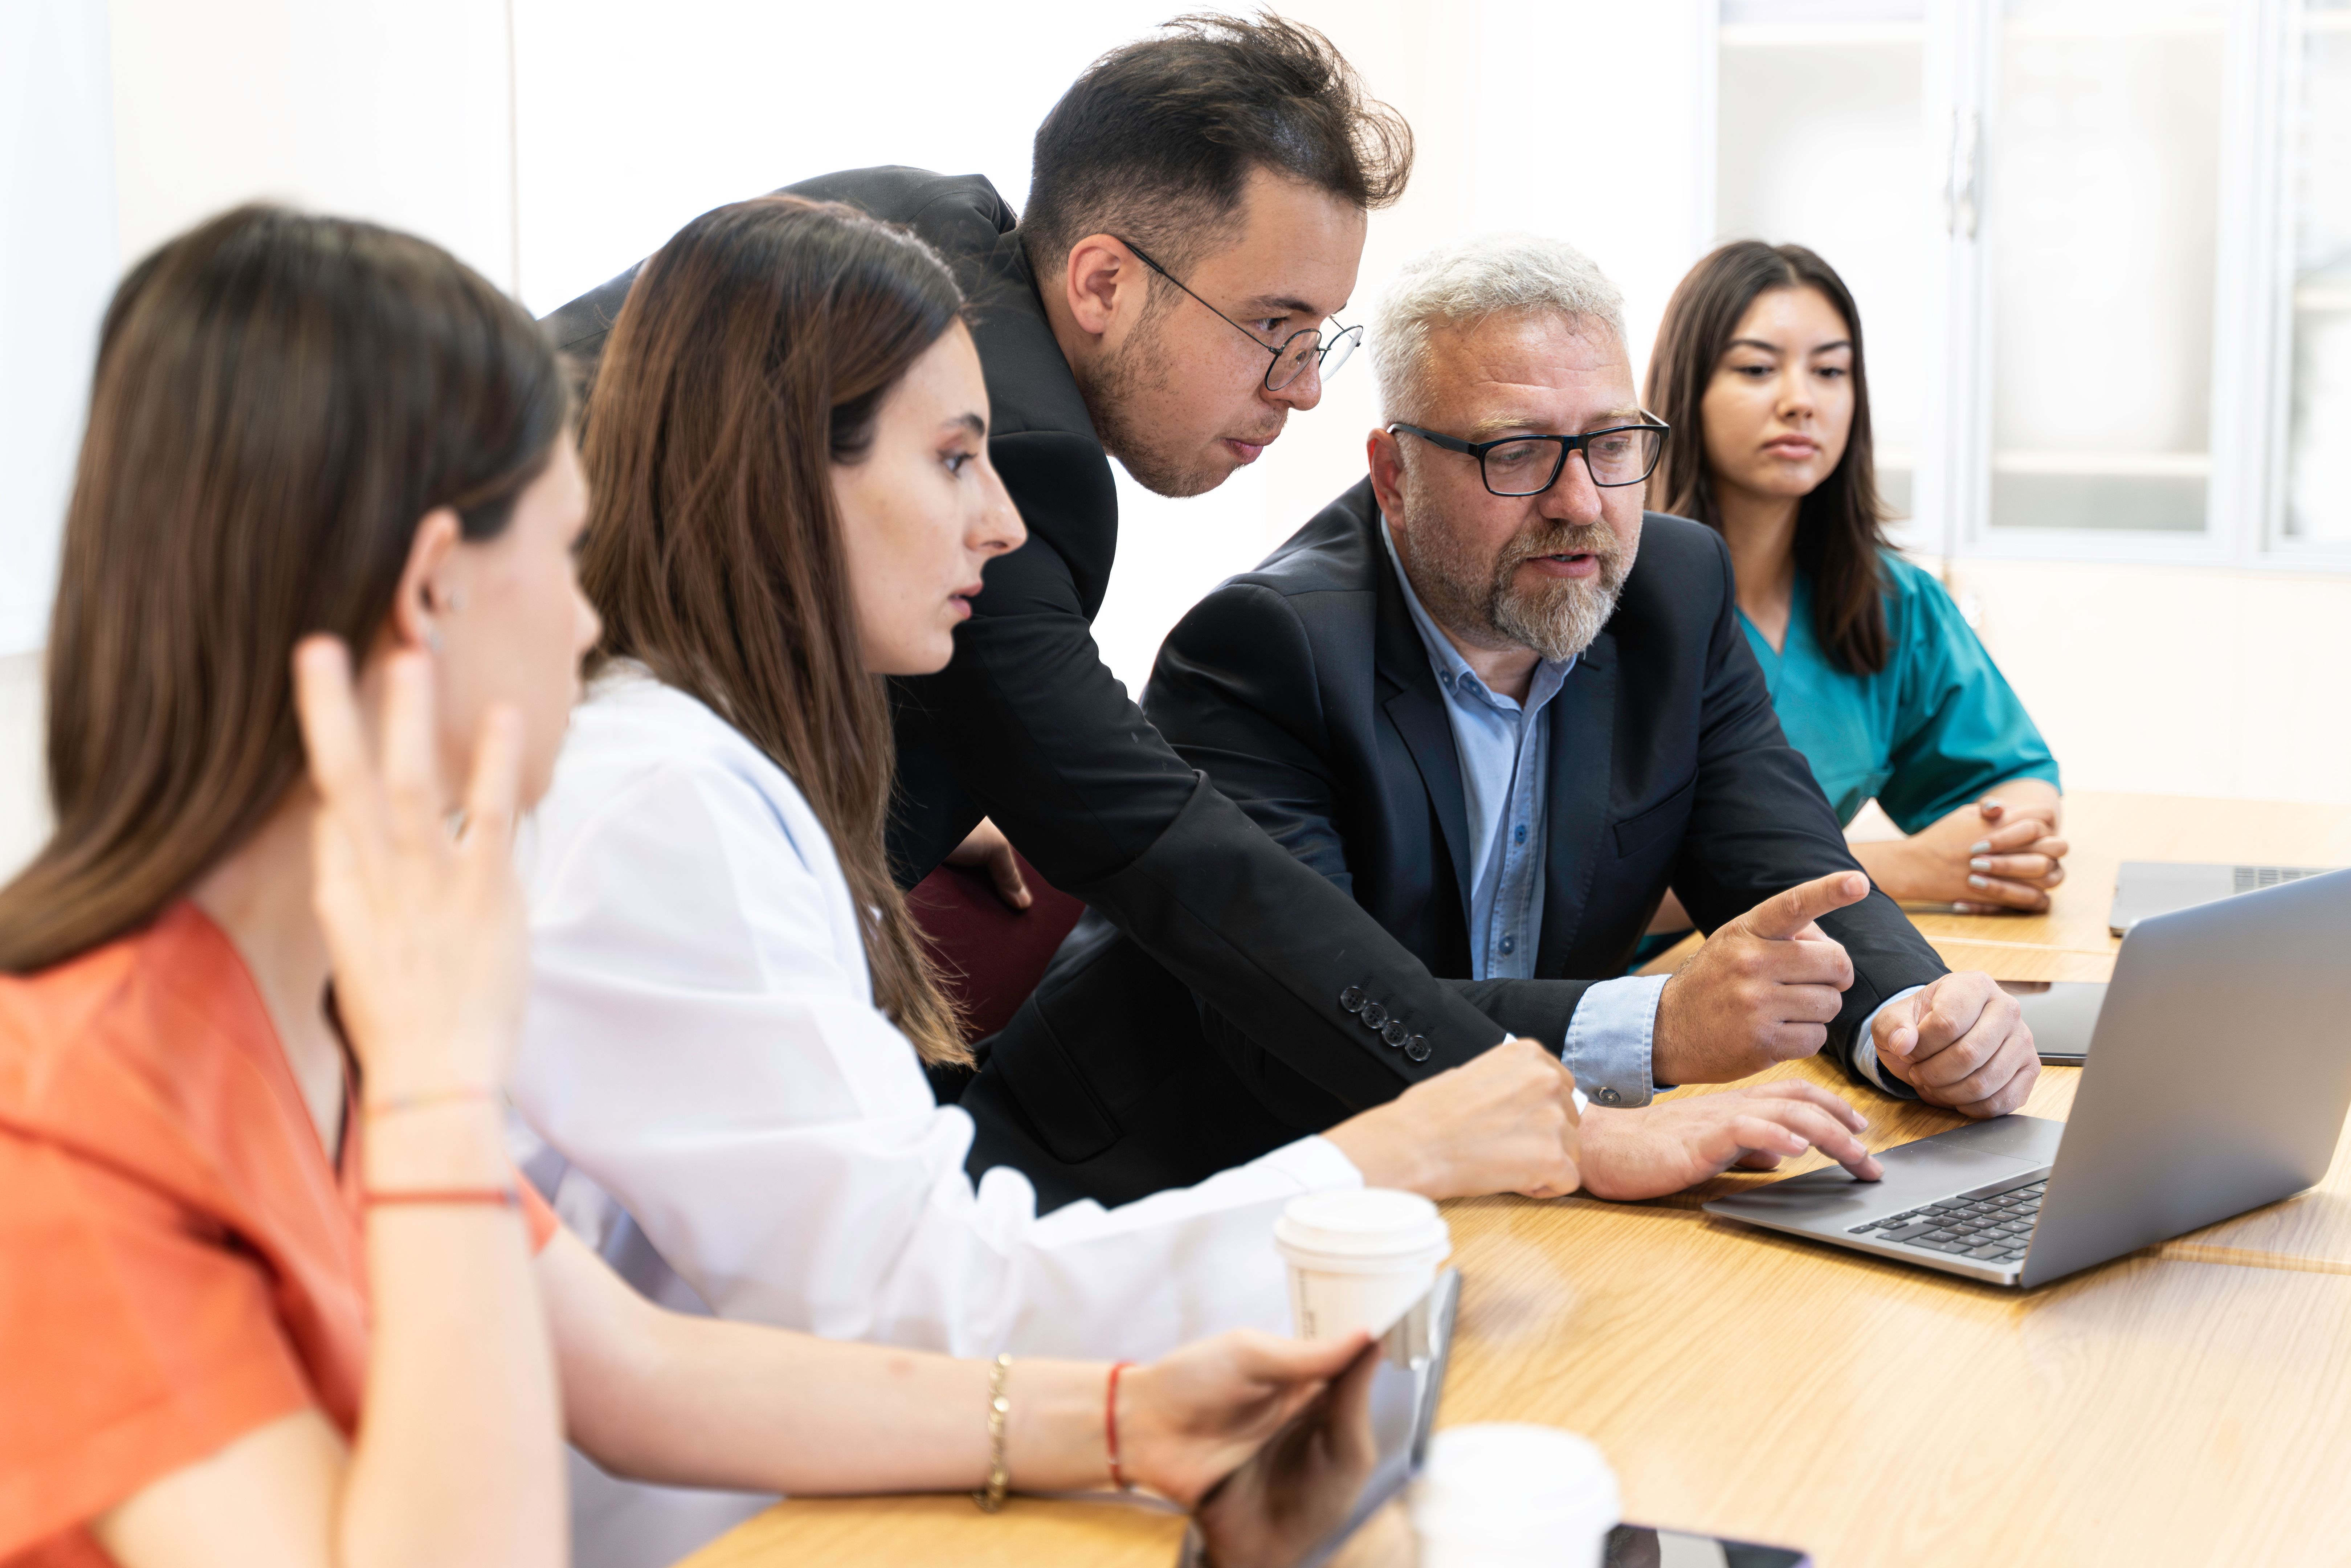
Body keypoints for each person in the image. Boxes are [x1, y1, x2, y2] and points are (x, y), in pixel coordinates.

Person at [0, 205, 1387, 1568]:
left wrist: (1124, 1421)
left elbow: (638, 1375)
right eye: (558, 552)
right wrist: (432, 1099)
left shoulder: (321, 1002)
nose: (589, 615)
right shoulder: (68, 1096)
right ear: (434, 596)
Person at [515, 194, 1578, 1349]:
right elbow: (925, 1300)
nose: (1003, 525)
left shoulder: (710, 777)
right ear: (777, 476)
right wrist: (1389, 1153)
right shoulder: (671, 809)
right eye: (953, 459)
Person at [539, 14, 1591, 1124]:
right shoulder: (1026, 458)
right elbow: (1163, 846)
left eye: (1318, 334)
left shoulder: (917, 215)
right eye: (1272, 326)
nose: (1302, 388)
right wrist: (1524, 1111)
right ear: (1101, 283)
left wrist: (966, 770)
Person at [960, 234, 2042, 1208]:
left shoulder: (1667, 588)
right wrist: (1653, 1028)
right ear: (1391, 474)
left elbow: (1788, 869)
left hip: (1491, 1200)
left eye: (1612, 443)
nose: (1581, 501)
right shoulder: (1263, 649)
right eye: (1514, 453)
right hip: (1170, 1196)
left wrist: (1915, 1020)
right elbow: (1302, 1027)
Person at [1642, 241, 2066, 928]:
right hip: (1632, 997)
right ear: (1686, 389)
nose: (1799, 402)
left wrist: (2001, 846)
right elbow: (1582, 890)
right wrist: (1902, 868)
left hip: (1804, 973)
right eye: (1756, 368)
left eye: (1830, 371)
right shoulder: (1608, 605)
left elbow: (2013, 786)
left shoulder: (1894, 605)